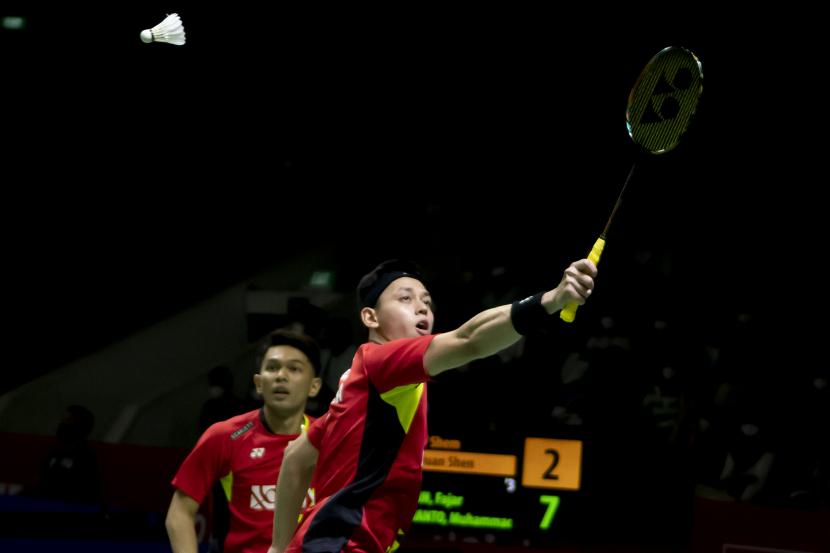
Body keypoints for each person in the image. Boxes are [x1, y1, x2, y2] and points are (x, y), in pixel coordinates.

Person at [268, 257, 597, 553]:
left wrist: (278, 548)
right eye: (405, 298)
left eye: (427, 301)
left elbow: (296, 455)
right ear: (370, 316)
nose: (422, 308)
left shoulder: (359, 389)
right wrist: (553, 299)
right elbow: (469, 340)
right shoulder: (380, 363)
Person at [166, 329, 323, 553]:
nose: (281, 376)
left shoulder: (330, 439)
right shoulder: (224, 436)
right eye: (272, 367)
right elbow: (179, 513)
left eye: (294, 369)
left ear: (314, 386)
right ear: (259, 383)